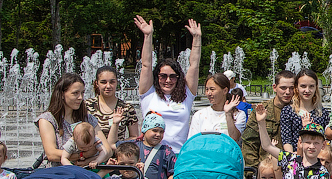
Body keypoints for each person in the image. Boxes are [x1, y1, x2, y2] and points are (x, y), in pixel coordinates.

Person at [134, 15, 202, 153]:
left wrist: (197, 39)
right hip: (151, 153)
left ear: (178, 78)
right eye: (163, 76)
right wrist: (148, 35)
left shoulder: (186, 94)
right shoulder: (149, 93)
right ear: (157, 77)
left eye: (173, 76)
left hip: (179, 153)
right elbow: (146, 65)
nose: (168, 80)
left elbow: (194, 65)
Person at [37, 73, 110, 167]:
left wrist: (89, 161)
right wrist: (84, 155)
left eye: (82, 93)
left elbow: (107, 150)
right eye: (75, 93)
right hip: (60, 173)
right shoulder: (47, 119)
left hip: (88, 171)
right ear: (62, 94)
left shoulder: (88, 118)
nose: (80, 97)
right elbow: (51, 154)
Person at [242, 70, 296, 169]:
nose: (287, 92)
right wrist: (255, 172)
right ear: (274, 88)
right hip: (265, 173)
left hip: (291, 171)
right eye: (283, 88)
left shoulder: (298, 111)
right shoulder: (262, 110)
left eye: (291, 88)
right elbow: (249, 144)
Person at [86, 66, 139, 154]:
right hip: (93, 156)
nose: (108, 86)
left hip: (117, 157)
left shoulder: (127, 108)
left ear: (116, 83)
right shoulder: (87, 106)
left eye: (112, 82)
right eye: (103, 82)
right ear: (96, 83)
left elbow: (134, 137)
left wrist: (118, 145)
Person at [280, 69, 329, 154]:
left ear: (316, 87)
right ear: (296, 88)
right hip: (296, 157)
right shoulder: (288, 111)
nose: (307, 90)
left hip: (316, 158)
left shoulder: (322, 112)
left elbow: (326, 139)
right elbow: (286, 140)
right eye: (303, 86)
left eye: (311, 86)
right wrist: (293, 159)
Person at [188, 72, 246, 141]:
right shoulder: (199, 115)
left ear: (225, 91)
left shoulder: (239, 114)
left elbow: (234, 138)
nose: (209, 93)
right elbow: (192, 142)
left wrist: (228, 114)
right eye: (207, 89)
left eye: (212, 89)